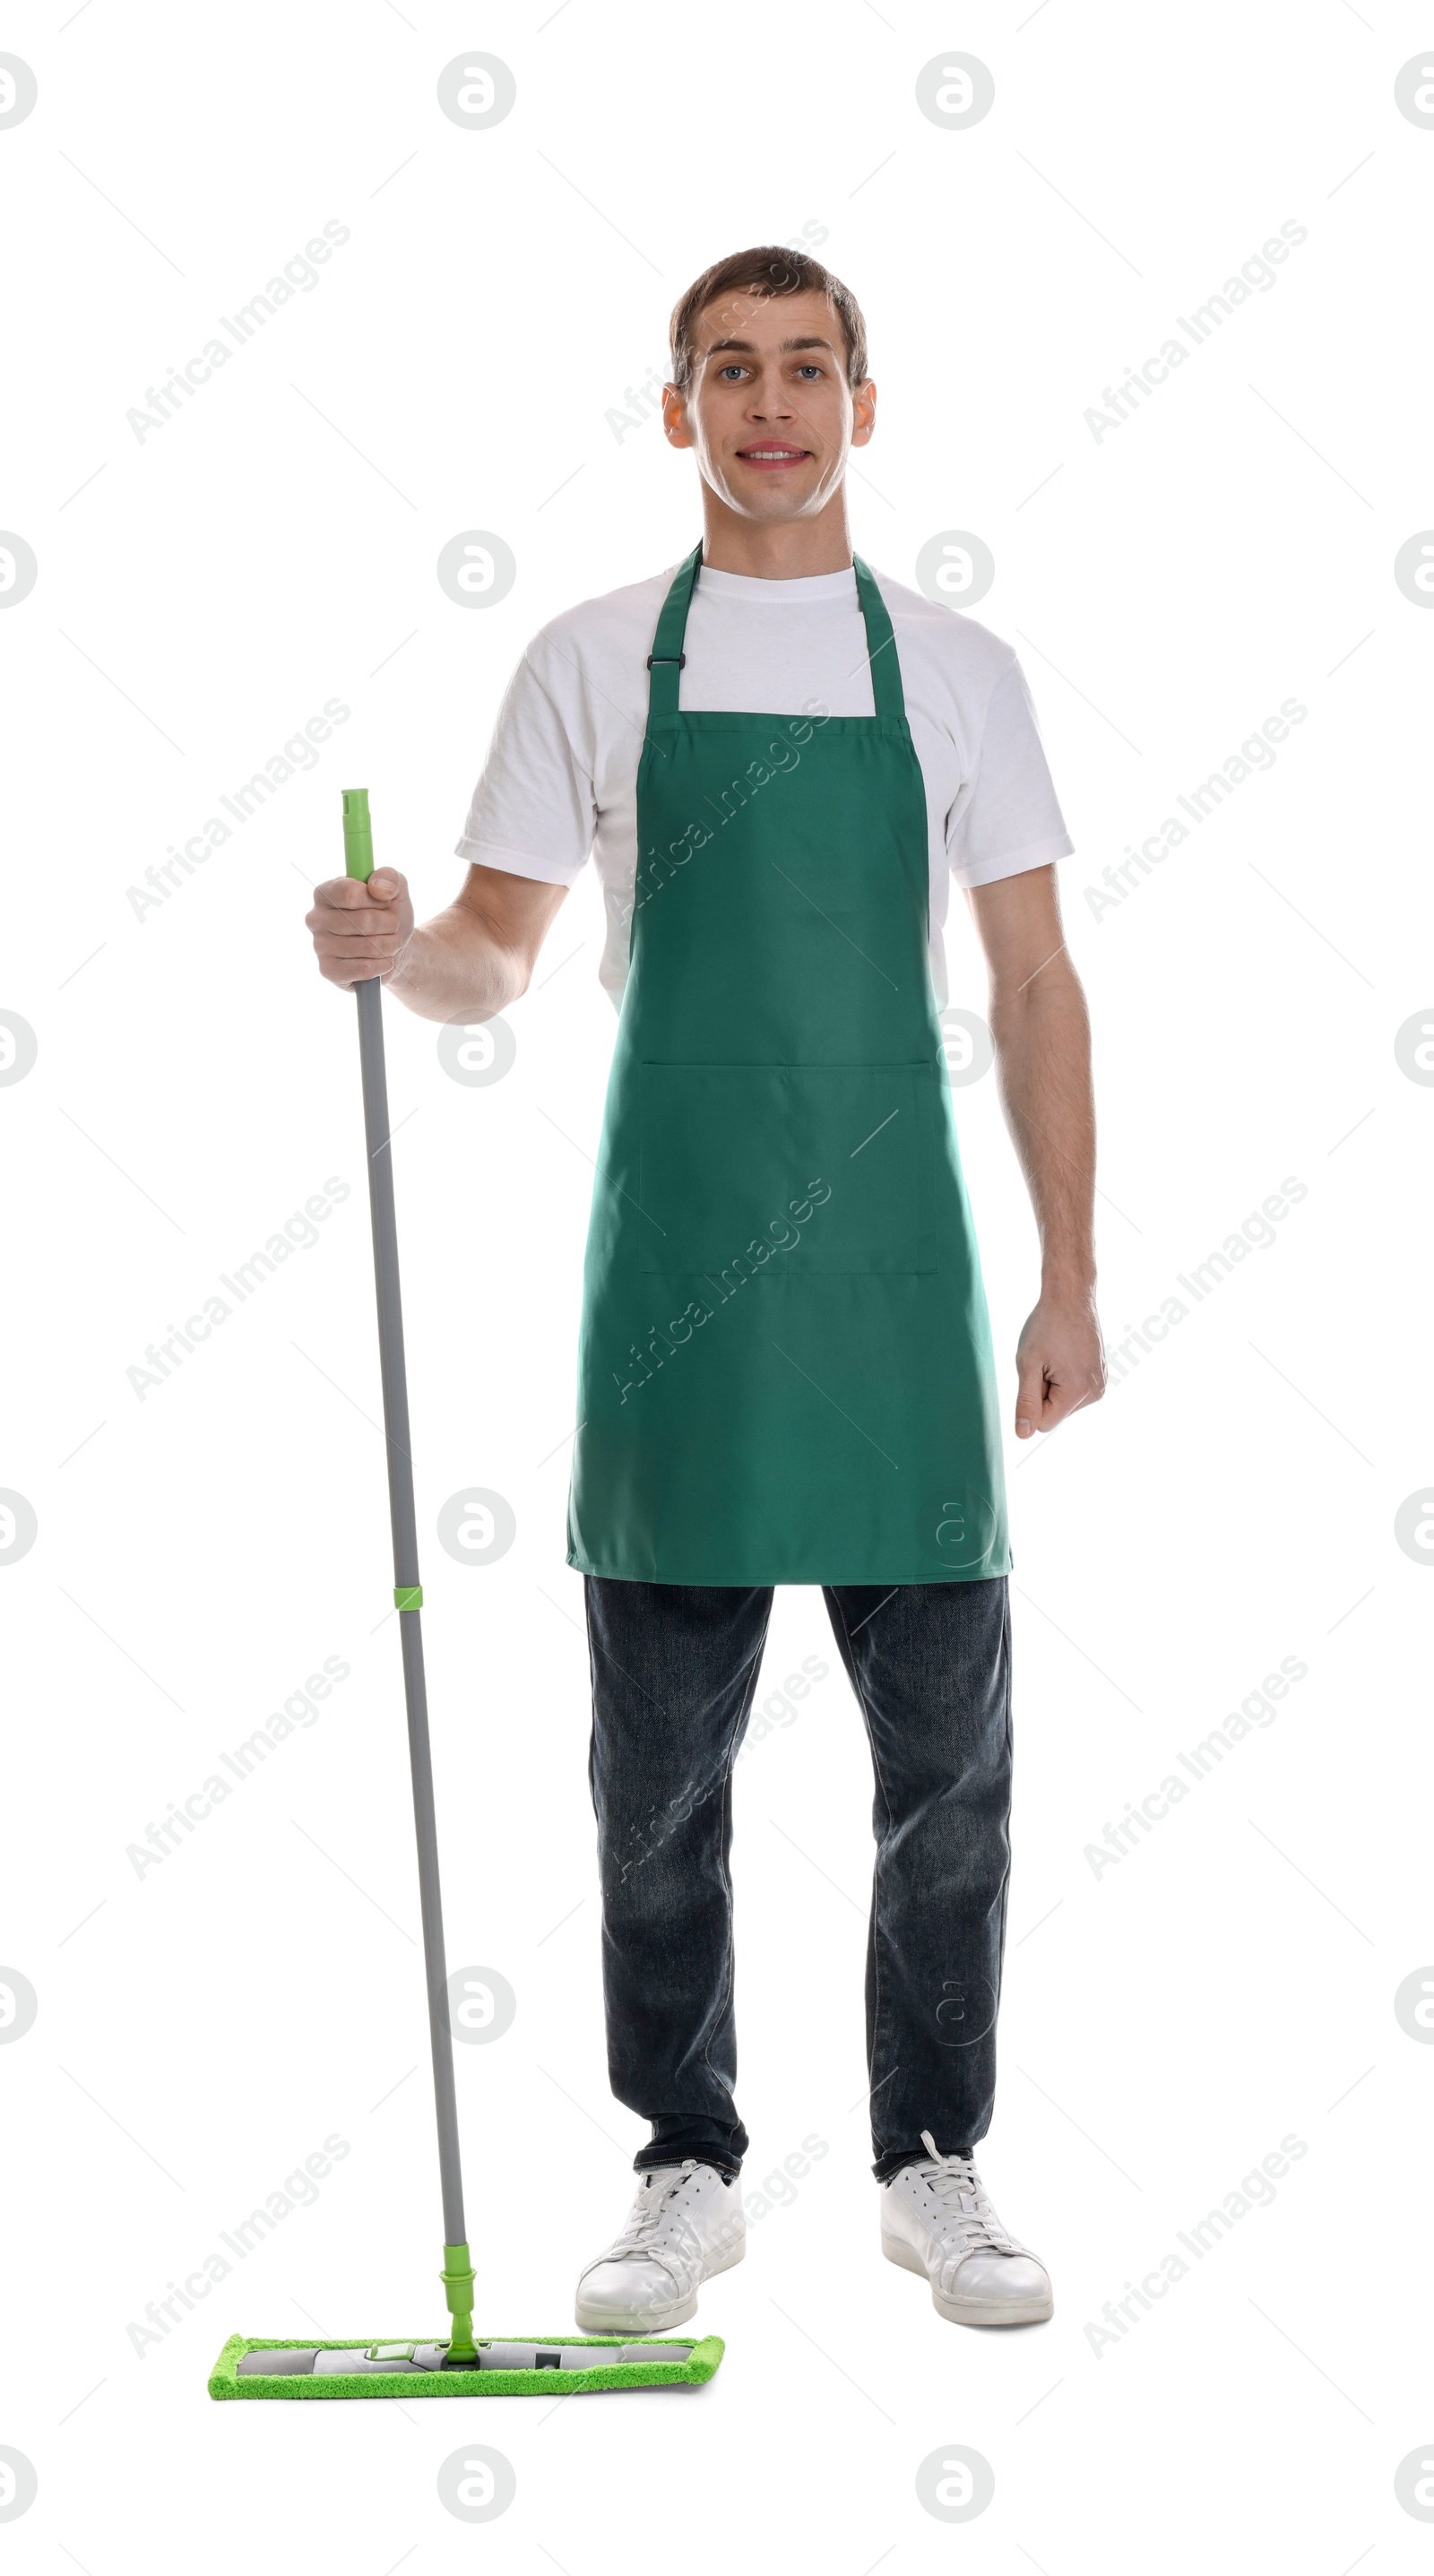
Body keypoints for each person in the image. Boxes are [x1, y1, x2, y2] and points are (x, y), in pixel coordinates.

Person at [307, 246, 1104, 2334]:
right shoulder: (587, 661)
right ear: (675, 411)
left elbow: (1029, 980)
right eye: (728, 372)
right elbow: (495, 945)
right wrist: (406, 962)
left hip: (896, 1301)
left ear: (862, 401)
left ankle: (933, 2159)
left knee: (948, 1780)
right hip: (675, 1299)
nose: (770, 405)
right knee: (653, 1789)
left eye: (806, 369)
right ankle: (684, 2163)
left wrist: (1071, 1272)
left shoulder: (955, 669)